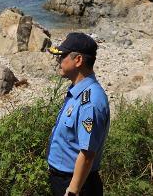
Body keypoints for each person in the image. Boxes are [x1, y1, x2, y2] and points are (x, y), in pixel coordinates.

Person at [47, 32, 110, 196]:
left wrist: (73, 191)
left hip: (77, 184)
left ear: (78, 60)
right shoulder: (78, 92)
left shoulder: (90, 101)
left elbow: (87, 153)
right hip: (65, 180)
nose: (59, 61)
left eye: (62, 57)